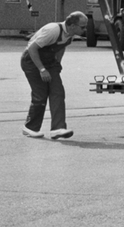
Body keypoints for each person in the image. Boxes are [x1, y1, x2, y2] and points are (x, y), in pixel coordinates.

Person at [21, 11, 89, 139]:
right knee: (40, 95)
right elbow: (32, 49)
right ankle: (30, 128)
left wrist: (57, 64)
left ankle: (58, 128)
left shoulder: (70, 34)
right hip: (32, 62)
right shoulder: (53, 30)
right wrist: (42, 69)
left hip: (50, 63)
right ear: (72, 25)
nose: (85, 29)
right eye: (83, 27)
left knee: (58, 92)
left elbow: (61, 48)